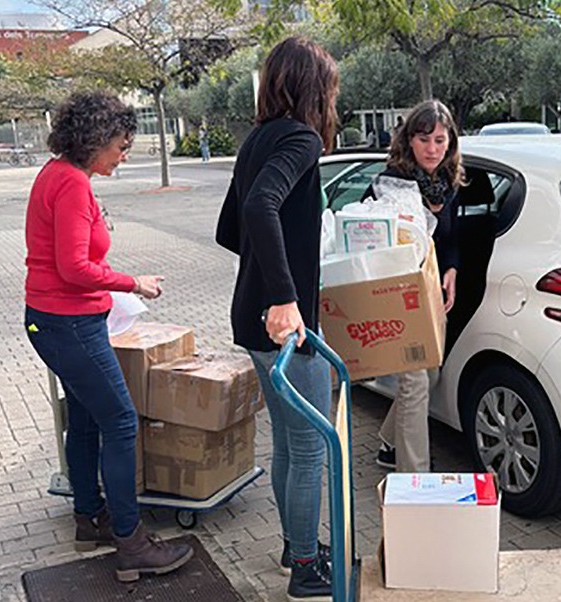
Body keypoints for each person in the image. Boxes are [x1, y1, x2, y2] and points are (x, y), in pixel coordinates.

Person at [23, 91, 192, 582]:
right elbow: (75, 267)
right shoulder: (72, 184)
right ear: (94, 140)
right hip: (69, 322)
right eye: (120, 145)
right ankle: (130, 541)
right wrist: (132, 282)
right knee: (119, 422)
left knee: (87, 419)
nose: (125, 154)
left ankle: (89, 516)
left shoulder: (56, 174)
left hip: (54, 319)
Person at [215, 36, 339, 602]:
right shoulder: (301, 137)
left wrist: (268, 279)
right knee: (311, 444)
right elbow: (259, 207)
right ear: (315, 87)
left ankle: (296, 544)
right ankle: (306, 567)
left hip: (252, 317)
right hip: (284, 324)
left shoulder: (258, 137)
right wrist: (286, 296)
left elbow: (229, 227)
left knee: (290, 443)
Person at [367, 99, 464, 472]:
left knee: (432, 373)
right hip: (399, 294)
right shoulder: (390, 183)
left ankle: (391, 443)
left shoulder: (448, 182)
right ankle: (415, 481)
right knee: (415, 382)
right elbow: (364, 233)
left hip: (433, 295)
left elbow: (453, 237)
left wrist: (452, 267)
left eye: (440, 140)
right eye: (424, 140)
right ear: (409, 141)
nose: (432, 149)